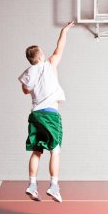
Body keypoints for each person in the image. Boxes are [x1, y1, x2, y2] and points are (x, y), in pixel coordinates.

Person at [18, 21, 74, 202]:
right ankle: (54, 186)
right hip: (50, 114)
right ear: (41, 55)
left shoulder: (28, 71)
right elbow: (59, 48)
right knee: (55, 150)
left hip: (35, 115)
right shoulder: (49, 64)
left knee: (36, 151)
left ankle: (32, 185)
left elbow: (26, 90)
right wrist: (64, 31)